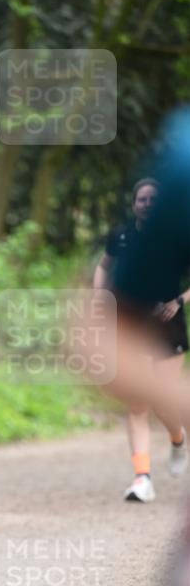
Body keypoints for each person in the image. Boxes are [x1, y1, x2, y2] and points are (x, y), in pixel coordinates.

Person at [93, 177, 189, 502]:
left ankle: (177, 439)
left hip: (168, 325)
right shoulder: (120, 236)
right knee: (137, 403)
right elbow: (103, 267)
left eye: (153, 200)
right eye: (142, 199)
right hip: (131, 325)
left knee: (163, 401)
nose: (147, 204)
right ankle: (142, 478)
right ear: (134, 204)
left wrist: (178, 301)